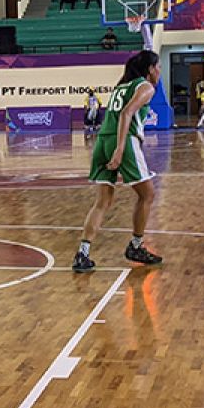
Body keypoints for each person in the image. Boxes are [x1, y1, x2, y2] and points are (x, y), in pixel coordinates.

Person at [73, 51, 165, 272]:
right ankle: (136, 245)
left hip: (103, 140)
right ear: (150, 69)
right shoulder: (145, 87)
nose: (160, 71)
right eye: (158, 66)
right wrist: (121, 148)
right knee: (148, 194)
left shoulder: (121, 86)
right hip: (121, 140)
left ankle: (82, 254)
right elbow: (126, 114)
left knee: (102, 201)